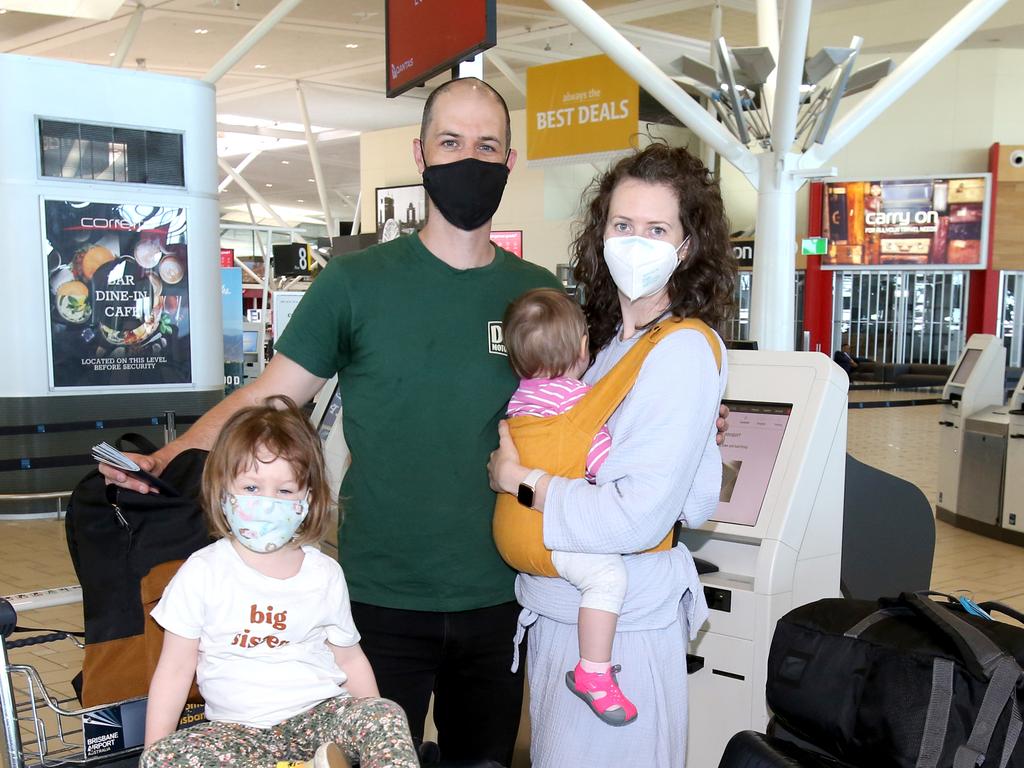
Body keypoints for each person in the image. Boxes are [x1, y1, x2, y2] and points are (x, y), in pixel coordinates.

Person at [102, 77, 729, 764]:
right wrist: (173, 456)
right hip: (380, 597)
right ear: (421, 154)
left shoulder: (537, 294)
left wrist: (691, 430)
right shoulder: (356, 283)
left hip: (504, 598)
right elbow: (273, 395)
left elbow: (597, 403)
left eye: (487, 145)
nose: (469, 159)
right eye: (451, 142)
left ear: (510, 163)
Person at [488, 142, 734, 766]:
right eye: (623, 225)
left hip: (618, 637)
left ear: (687, 246)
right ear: (601, 235)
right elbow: (700, 500)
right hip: (573, 626)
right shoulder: (604, 354)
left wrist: (521, 482)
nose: (636, 241)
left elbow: (635, 520)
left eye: (657, 228)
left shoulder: (677, 350)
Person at [140, 395, 418, 768]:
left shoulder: (324, 573)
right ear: (223, 490)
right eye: (252, 488)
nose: (268, 502)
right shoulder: (203, 571)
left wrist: (366, 732)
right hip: (236, 733)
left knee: (384, 714)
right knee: (169, 756)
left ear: (307, 499)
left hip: (318, 716)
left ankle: (324, 761)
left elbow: (349, 659)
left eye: (285, 490)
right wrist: (153, 750)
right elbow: (174, 670)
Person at [502, 288, 636, 726]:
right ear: (583, 347)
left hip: (512, 534)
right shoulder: (577, 405)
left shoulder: (519, 399)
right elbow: (601, 467)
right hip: (549, 534)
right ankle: (593, 671)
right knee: (607, 577)